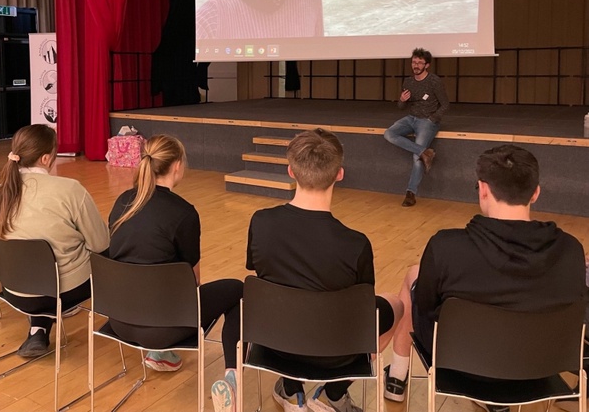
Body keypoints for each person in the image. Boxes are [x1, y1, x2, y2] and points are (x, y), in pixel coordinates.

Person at [384, 145, 586, 411]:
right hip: (541, 367)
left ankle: (397, 378)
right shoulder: (571, 250)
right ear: (535, 193)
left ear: (483, 189)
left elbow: (425, 305)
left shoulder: (447, 246)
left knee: (415, 277)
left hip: (463, 366)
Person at [247, 129, 403, 412]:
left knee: (286, 298)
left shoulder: (261, 222)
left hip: (275, 344)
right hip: (336, 356)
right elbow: (362, 307)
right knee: (396, 305)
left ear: (291, 171)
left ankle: (291, 389)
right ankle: (334, 391)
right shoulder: (355, 244)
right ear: (339, 174)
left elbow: (266, 280)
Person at [107, 134, 243, 412]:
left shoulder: (123, 201)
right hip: (166, 327)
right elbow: (192, 281)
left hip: (120, 320)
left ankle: (159, 354)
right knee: (237, 289)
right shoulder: (184, 213)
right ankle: (233, 377)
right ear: (177, 166)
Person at [0, 124, 109, 357]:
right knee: (109, 251)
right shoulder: (69, 189)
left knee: (38, 270)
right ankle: (130, 323)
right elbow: (100, 244)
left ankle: (38, 328)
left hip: (14, 289)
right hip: (65, 291)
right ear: (47, 157)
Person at [383, 48, 449, 207]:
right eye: (414, 62)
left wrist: (433, 118)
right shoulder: (409, 81)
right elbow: (400, 107)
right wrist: (401, 100)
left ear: (427, 65)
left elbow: (445, 104)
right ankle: (424, 152)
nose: (416, 65)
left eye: (420, 63)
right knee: (389, 134)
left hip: (427, 121)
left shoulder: (434, 81)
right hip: (411, 118)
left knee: (416, 157)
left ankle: (410, 193)